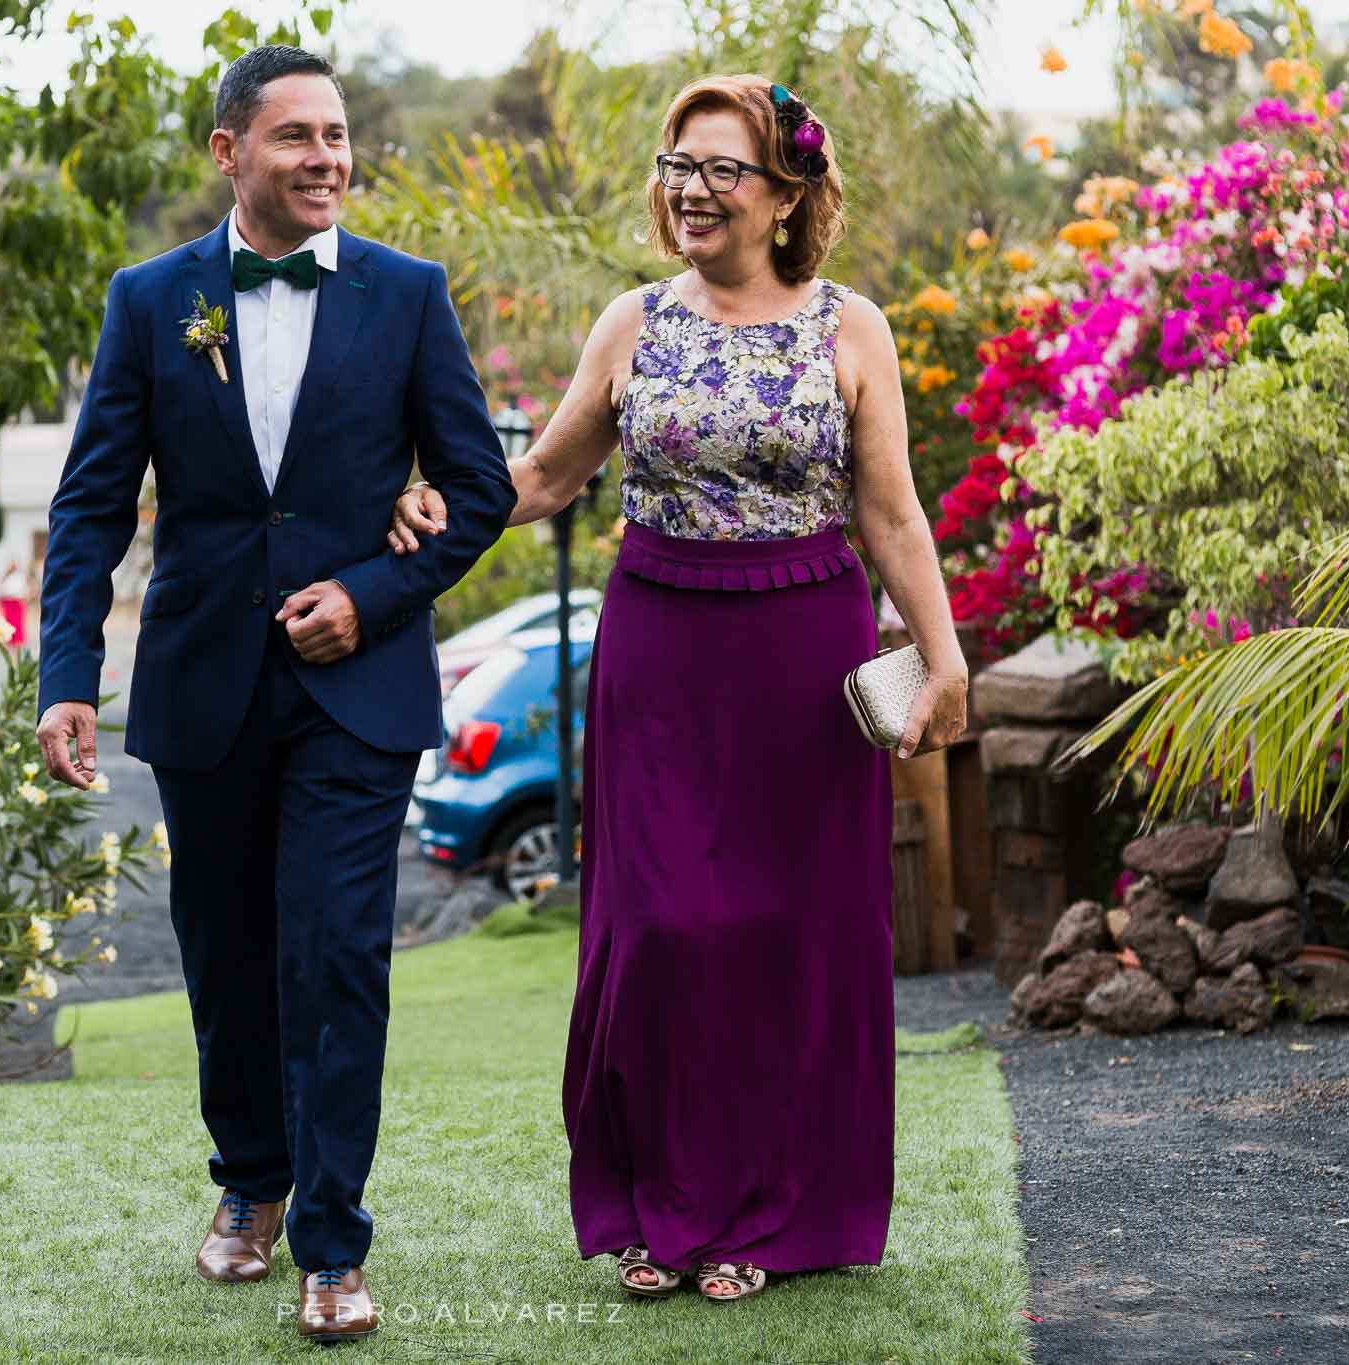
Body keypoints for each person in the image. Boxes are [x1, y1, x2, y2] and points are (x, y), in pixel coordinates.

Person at [388, 74, 968, 1301]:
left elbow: (889, 510)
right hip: (657, 652)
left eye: (721, 170)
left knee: (781, 936)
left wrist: (946, 652)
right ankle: (659, 1205)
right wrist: (423, 514)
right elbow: (540, 477)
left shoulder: (846, 326)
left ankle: (764, 1218)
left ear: (785, 194)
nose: (690, 190)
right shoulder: (633, 320)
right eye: (676, 164)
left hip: (802, 655)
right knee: (658, 931)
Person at [32, 46, 515, 1344]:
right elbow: (88, 508)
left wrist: (371, 593)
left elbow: (480, 490)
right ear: (228, 152)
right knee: (230, 959)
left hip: (355, 693)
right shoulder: (149, 303)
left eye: (340, 135)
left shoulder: (410, 297)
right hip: (200, 689)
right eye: (296, 135)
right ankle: (249, 1177)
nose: (327, 158)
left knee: (339, 958)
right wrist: (66, 678)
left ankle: (333, 1244)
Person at [0, 558, 30, 651]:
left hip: (17, 601)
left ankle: (17, 642)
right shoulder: (6, 577)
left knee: (17, 623)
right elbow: (1, 588)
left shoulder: (20, 577)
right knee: (8, 622)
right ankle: (9, 640)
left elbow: (24, 589)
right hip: (7, 602)